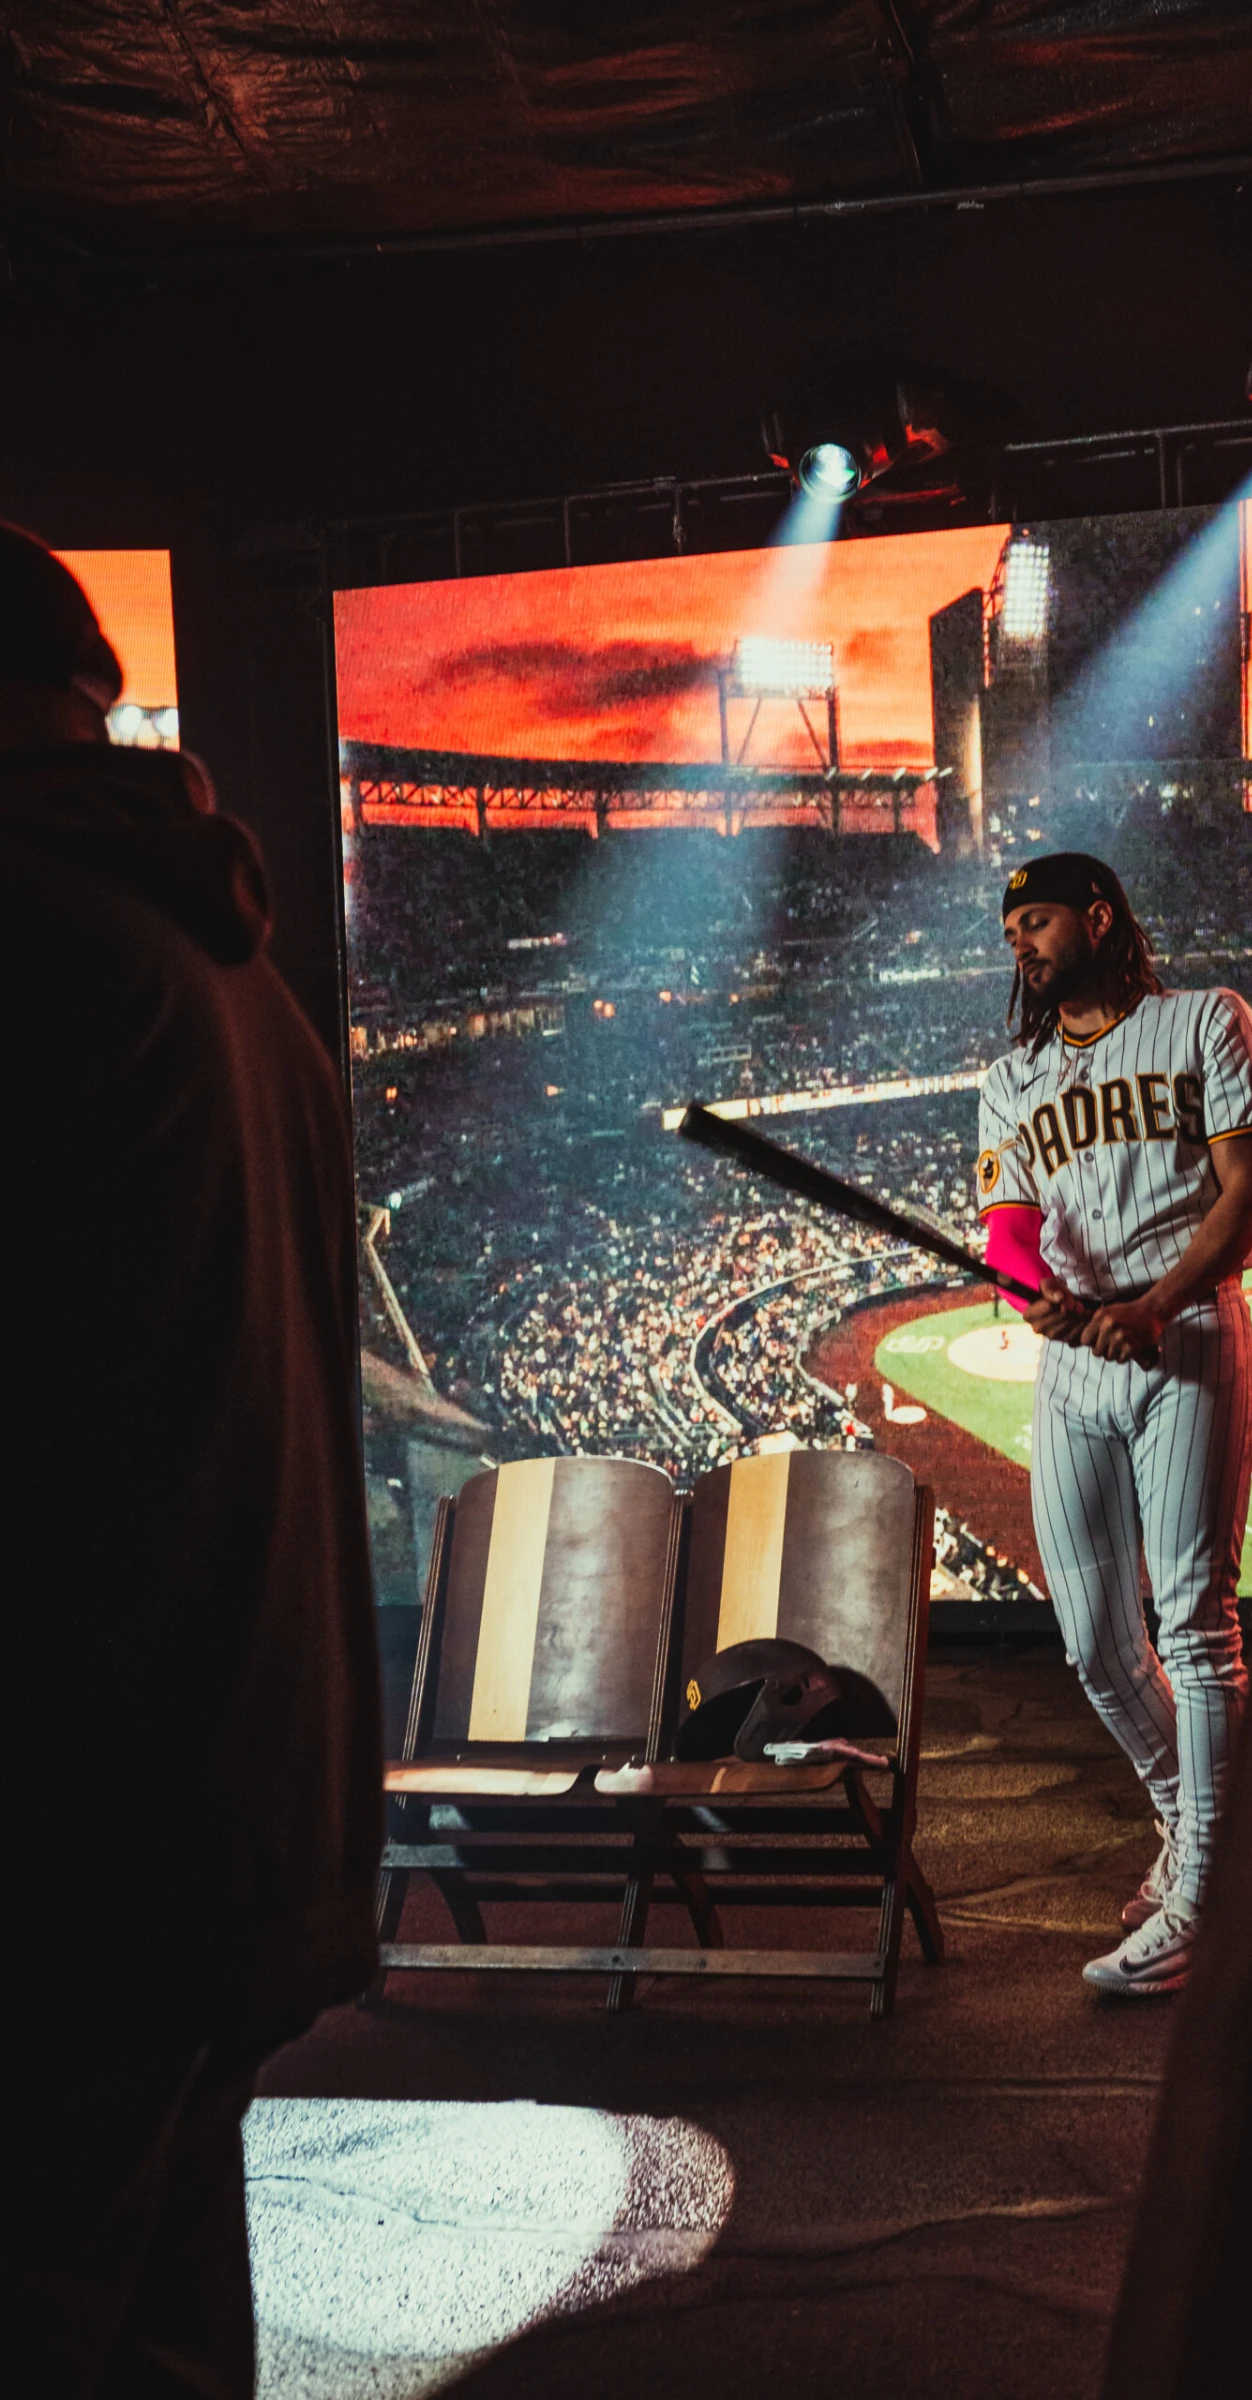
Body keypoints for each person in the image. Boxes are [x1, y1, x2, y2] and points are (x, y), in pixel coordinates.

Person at [0, 527, 384, 2396]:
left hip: (71, 1827)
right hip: (229, 1800)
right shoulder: (229, 964)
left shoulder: (37, 939)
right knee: (162, 2319)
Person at [977, 853, 1252, 1994]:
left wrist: (1153, 1305)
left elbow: (1245, 1195)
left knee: (1195, 1624)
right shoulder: (1010, 1080)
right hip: (1077, 1370)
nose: (1023, 944)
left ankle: (1205, 1896)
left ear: (1098, 919)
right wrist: (1033, 1297)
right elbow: (1008, 1234)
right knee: (1095, 1641)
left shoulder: (1208, 1022)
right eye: (1013, 930)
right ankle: (1199, 1832)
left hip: (1189, 1337)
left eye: (1039, 921)